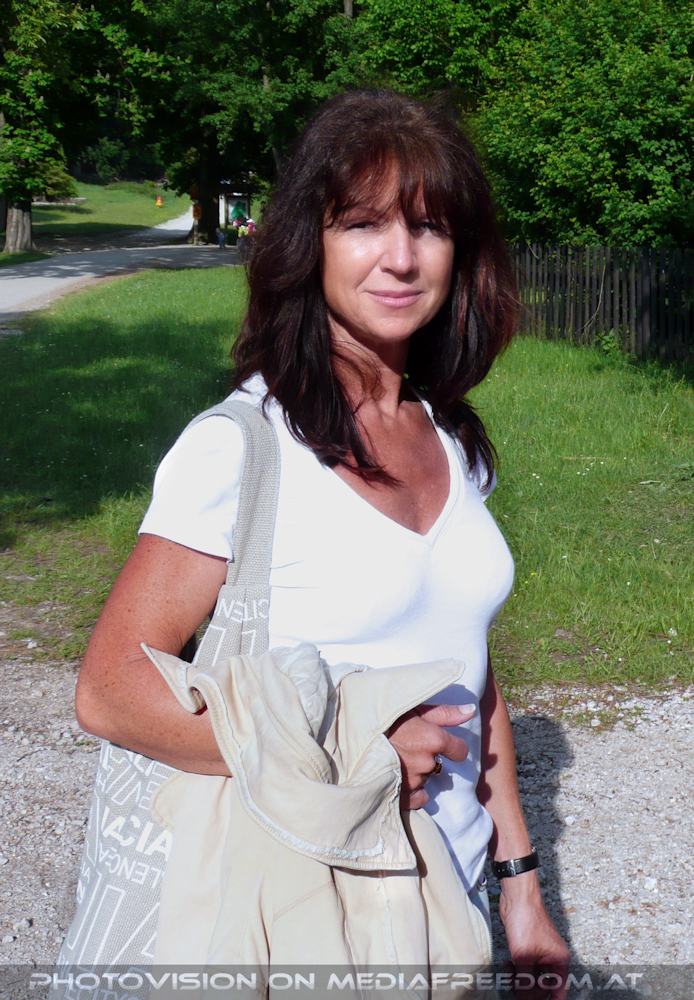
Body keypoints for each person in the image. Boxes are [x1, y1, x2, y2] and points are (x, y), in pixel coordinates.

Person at [74, 89, 569, 983]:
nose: (400, 257)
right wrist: (350, 751)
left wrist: (521, 885)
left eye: (428, 227)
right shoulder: (242, 451)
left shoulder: (452, 442)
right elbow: (108, 693)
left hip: (446, 903)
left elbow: (472, 670)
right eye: (363, 224)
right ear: (311, 245)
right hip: (308, 905)